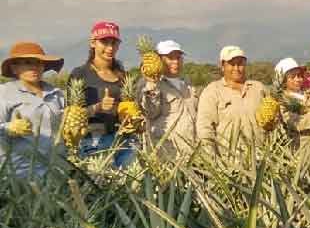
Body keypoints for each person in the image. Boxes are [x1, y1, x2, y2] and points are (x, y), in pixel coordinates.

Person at [67, 21, 137, 169]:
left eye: (114, 43)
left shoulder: (124, 76)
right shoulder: (80, 74)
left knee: (129, 186)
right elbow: (71, 116)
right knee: (101, 186)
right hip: (94, 141)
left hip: (124, 141)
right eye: (104, 42)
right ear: (93, 43)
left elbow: (130, 108)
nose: (110, 48)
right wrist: (98, 107)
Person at [0, 42, 65, 177]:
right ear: (14, 68)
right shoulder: (4, 92)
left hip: (56, 170)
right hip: (20, 171)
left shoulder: (56, 93)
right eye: (28, 63)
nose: (34, 67)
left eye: (39, 62)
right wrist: (8, 127)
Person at [196, 46, 266, 154]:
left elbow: (272, 120)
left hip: (260, 157)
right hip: (228, 162)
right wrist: (213, 161)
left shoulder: (258, 88)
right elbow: (204, 129)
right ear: (222, 66)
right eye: (232, 64)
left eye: (240, 64)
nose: (236, 68)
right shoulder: (212, 91)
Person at [136, 40, 198, 159]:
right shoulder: (147, 85)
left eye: (178, 57)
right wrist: (151, 84)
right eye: (170, 58)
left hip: (191, 153)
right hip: (166, 155)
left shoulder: (187, 83)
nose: (175, 62)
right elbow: (150, 112)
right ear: (158, 60)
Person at [274, 58, 310, 149]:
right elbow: (298, 124)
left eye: (299, 76)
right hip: (302, 149)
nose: (298, 79)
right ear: (283, 80)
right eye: (292, 77)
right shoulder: (282, 101)